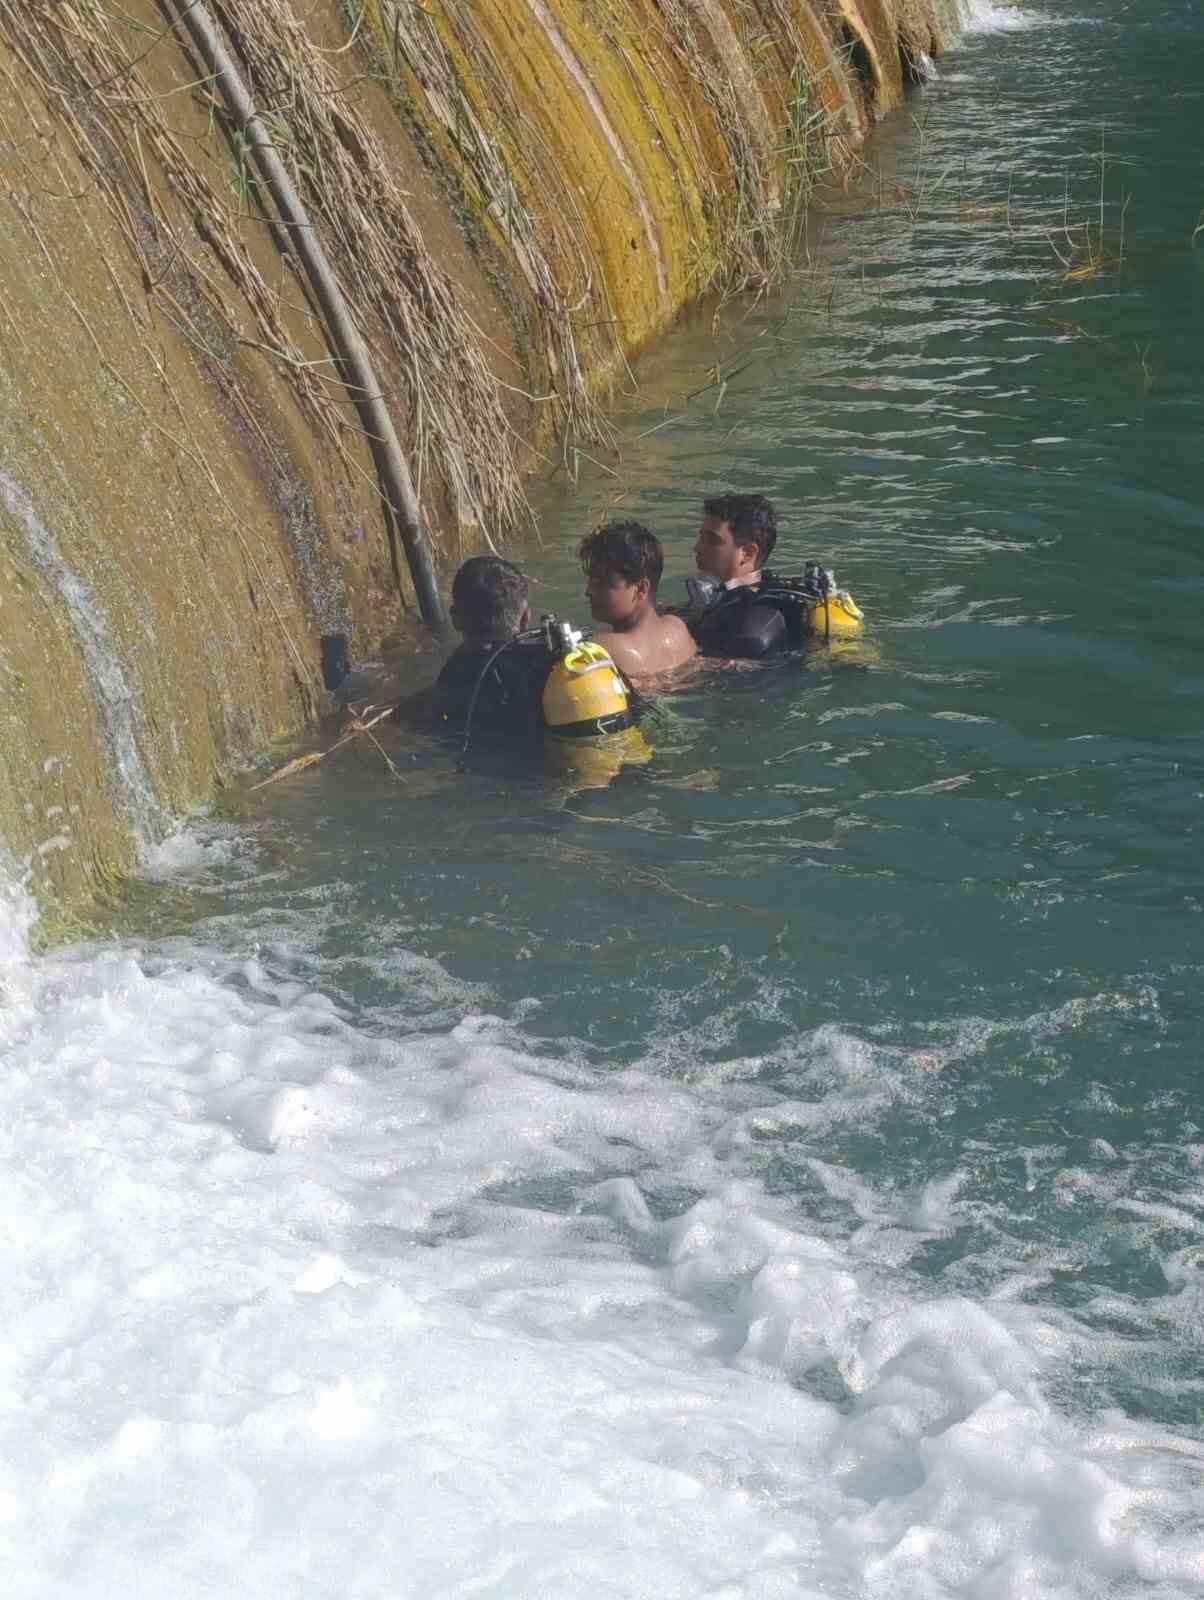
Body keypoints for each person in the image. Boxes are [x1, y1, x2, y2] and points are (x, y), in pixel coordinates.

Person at [684, 492, 859, 658]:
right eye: (701, 537)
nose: (697, 547)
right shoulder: (733, 600)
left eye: (712, 540)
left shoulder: (752, 627)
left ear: (748, 553)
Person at [579, 521, 696, 679]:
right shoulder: (677, 630)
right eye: (591, 580)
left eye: (603, 583)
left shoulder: (604, 648)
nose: (589, 591)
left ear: (641, 589)